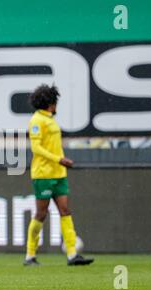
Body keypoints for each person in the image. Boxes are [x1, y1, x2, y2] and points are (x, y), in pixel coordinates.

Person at [24, 84, 94, 266]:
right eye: (55, 102)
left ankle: (72, 254)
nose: (57, 106)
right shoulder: (36, 121)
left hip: (58, 174)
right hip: (43, 174)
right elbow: (36, 148)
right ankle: (30, 255)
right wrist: (59, 159)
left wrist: (59, 163)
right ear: (50, 103)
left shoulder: (50, 120)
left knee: (65, 210)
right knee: (41, 214)